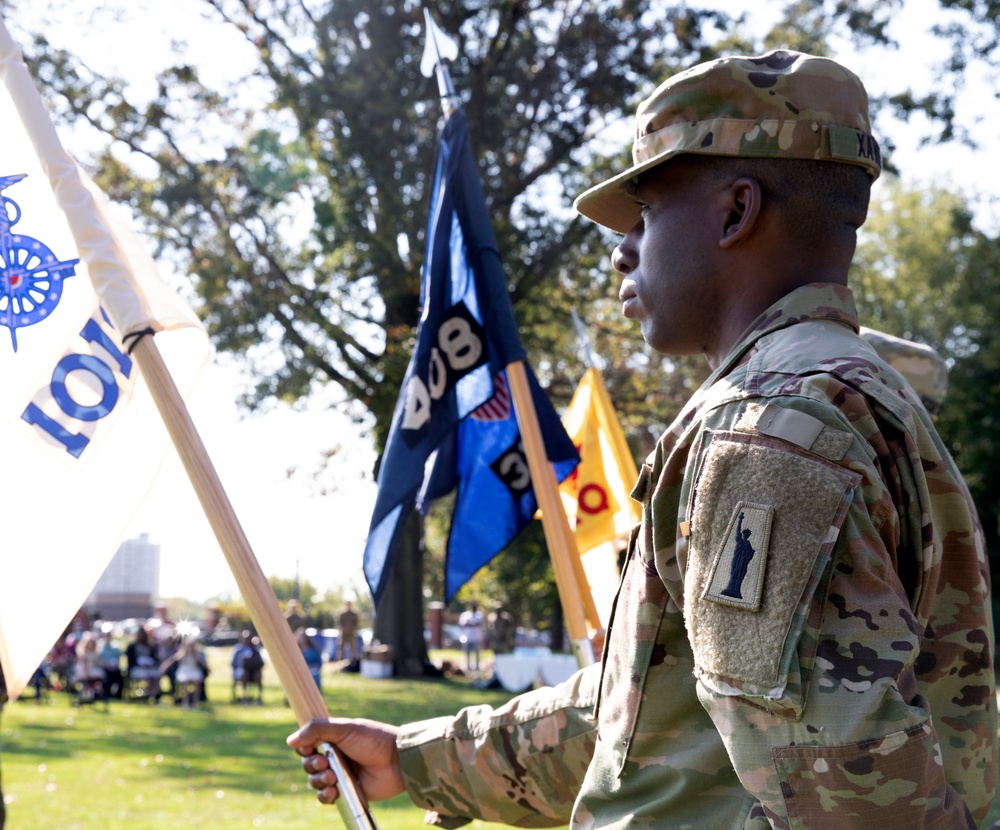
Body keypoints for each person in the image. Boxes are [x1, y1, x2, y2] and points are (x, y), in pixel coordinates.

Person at [287, 51, 998, 828]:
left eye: (646, 215)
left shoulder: (768, 430)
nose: (621, 251)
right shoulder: (851, 394)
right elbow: (651, 718)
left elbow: (847, 787)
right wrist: (421, 758)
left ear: (736, 213)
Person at [457, 602, 485, 674]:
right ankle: (468, 669)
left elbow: (480, 624)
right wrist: (472, 624)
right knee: (467, 655)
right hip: (467, 638)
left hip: (477, 638)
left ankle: (477, 670)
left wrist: (472, 624)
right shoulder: (465, 615)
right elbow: (462, 624)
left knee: (477, 655)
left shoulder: (479, 615)